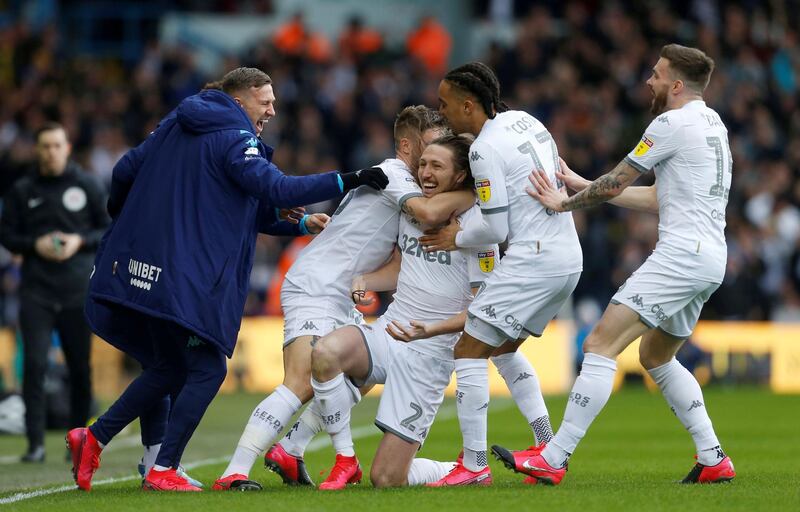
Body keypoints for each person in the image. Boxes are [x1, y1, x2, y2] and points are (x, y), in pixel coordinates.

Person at [65, 67, 389, 492]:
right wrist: (346, 179)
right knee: (206, 368)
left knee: (167, 365)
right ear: (239, 100)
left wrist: (131, 222)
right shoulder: (234, 137)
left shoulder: (173, 126)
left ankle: (111, 445)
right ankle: (154, 464)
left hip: (141, 267)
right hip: (186, 275)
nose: (272, 109)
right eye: (265, 100)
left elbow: (127, 171)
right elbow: (274, 188)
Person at [497, 44, 735, 485]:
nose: (649, 81)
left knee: (600, 343)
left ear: (677, 85)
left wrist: (565, 201)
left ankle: (554, 457)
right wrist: (585, 183)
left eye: (657, 74)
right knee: (656, 355)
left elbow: (617, 182)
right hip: (710, 258)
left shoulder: (668, 123)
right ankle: (713, 456)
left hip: (680, 256)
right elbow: (654, 197)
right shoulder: (713, 124)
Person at [212, 106, 474, 491]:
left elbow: (401, 258)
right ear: (407, 146)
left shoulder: (405, 181)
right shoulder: (395, 176)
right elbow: (428, 213)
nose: (436, 158)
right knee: (301, 382)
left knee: (354, 376)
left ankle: (292, 448)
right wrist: (479, 190)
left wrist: (365, 277)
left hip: (337, 288)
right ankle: (234, 471)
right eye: (431, 145)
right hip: (317, 285)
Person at [419, 62, 583, 486]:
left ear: (469, 105)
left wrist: (456, 235)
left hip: (535, 258)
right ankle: (546, 445)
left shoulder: (481, 148)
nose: (441, 114)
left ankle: (473, 465)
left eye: (445, 104)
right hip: (567, 256)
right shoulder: (526, 119)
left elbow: (495, 227)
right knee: (504, 348)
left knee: (468, 351)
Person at [308, 134, 498, 489]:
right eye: (423, 163)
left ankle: (461, 471)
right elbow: (401, 266)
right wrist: (364, 278)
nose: (424, 172)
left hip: (430, 353)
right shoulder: (412, 210)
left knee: (386, 479)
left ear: (459, 177)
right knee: (324, 353)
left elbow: (484, 311)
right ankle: (344, 458)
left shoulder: (478, 229)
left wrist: (431, 329)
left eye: (436, 166)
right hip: (391, 330)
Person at [0, 122, 109, 463]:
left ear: (67, 148)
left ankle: (77, 441)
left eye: (56, 146)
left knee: (80, 368)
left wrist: (79, 241)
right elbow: (7, 236)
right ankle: (35, 444)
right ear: (37, 149)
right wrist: (35, 245)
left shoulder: (87, 184)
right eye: (45, 146)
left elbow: (106, 230)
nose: (51, 152)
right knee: (33, 366)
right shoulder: (22, 190)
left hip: (77, 291)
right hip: (36, 292)